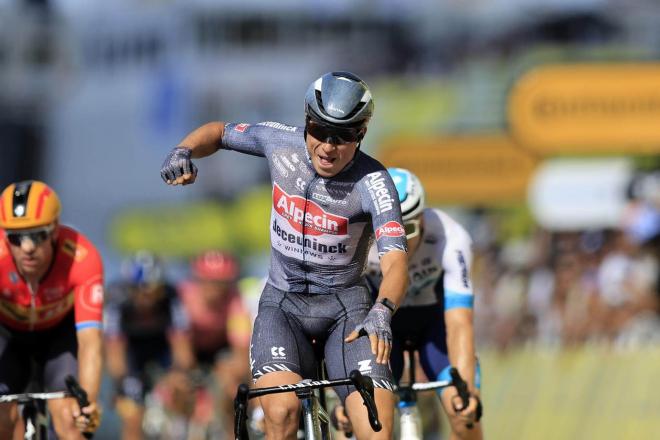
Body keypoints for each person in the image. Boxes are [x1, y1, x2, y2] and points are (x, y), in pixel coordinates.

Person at [160, 71, 409, 439]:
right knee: (280, 414)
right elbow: (218, 131)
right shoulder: (279, 141)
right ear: (306, 122)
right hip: (283, 305)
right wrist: (183, 150)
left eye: (342, 136)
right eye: (320, 130)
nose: (328, 145)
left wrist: (382, 311)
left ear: (362, 135)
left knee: (377, 429)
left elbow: (396, 262)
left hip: (347, 311)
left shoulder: (374, 181)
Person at [336, 168, 483, 440]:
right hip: (382, 328)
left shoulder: (451, 237)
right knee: (366, 420)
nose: (398, 240)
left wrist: (466, 390)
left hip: (435, 327)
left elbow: (459, 322)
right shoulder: (356, 241)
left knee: (464, 417)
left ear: (424, 220)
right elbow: (343, 316)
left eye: (408, 228)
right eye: (385, 231)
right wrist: (341, 400)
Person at [0, 180, 103, 439]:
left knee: (70, 419)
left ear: (55, 229)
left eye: (38, 234)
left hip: (60, 337)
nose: (27, 248)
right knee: (2, 418)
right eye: (15, 237)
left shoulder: (82, 256)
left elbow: (90, 342)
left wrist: (86, 402)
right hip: (7, 336)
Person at [104, 251, 194, 440]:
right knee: (132, 413)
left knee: (182, 387)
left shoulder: (172, 297)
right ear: (130, 289)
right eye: (139, 291)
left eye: (153, 292)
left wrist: (179, 372)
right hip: (132, 355)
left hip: (162, 349)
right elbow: (114, 351)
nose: (147, 299)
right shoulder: (116, 301)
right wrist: (122, 381)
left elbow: (182, 345)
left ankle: (181, 430)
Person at [177, 249, 252, 437]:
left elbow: (241, 351)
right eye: (208, 282)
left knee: (232, 386)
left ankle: (231, 432)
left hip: (220, 352)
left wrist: (230, 375)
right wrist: (189, 374)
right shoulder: (184, 297)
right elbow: (180, 345)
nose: (215, 289)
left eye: (221, 283)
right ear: (197, 280)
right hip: (191, 351)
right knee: (180, 386)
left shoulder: (235, 299)